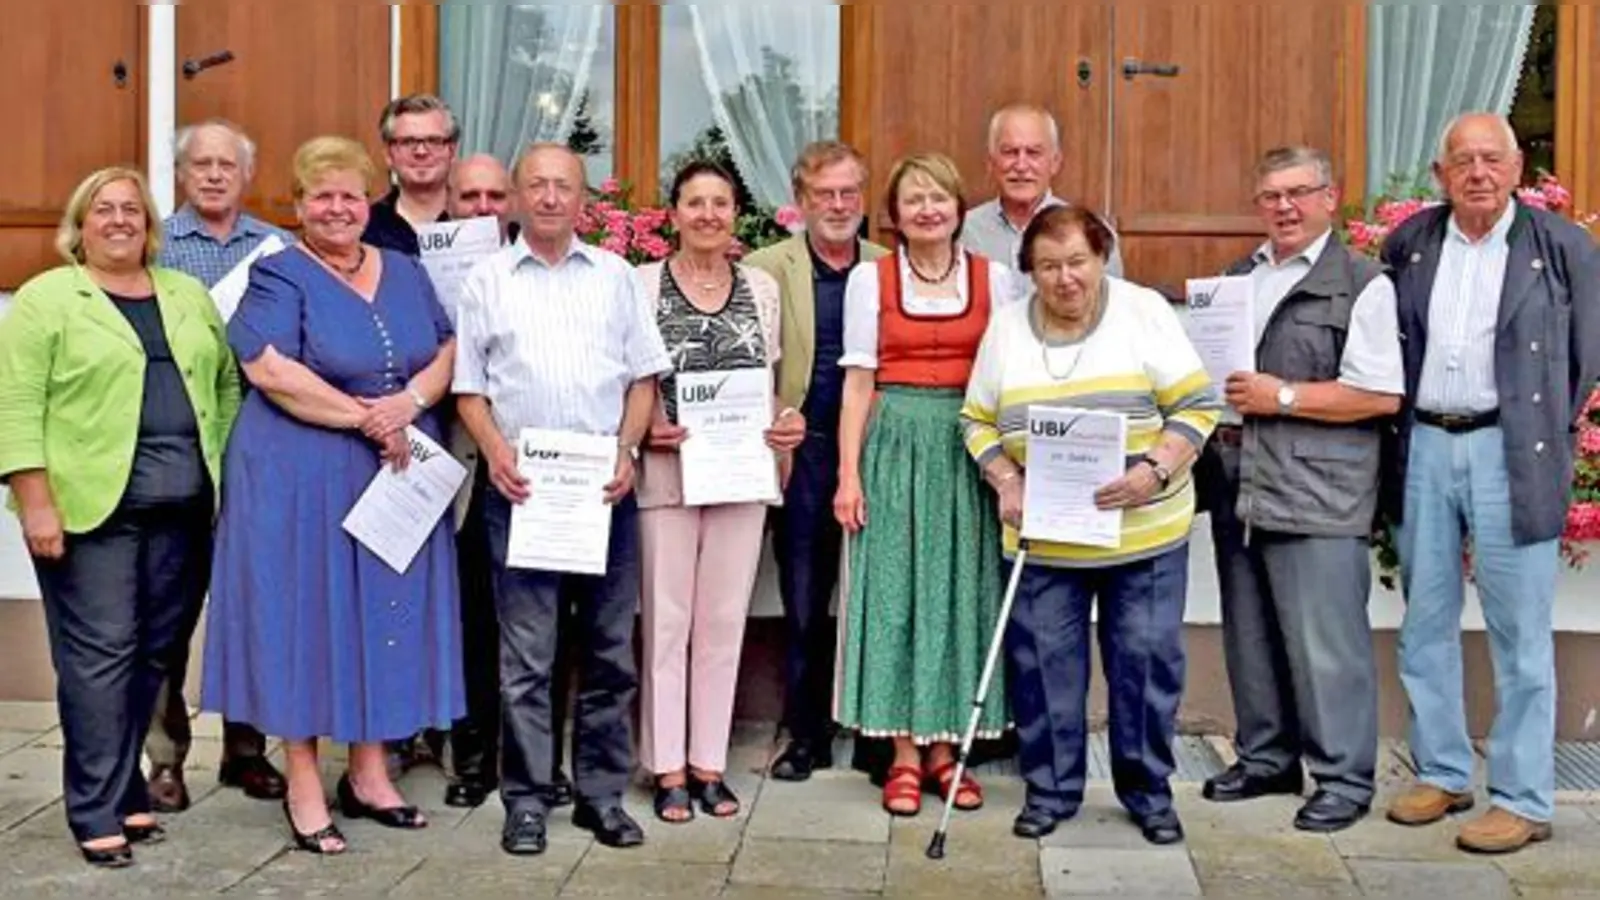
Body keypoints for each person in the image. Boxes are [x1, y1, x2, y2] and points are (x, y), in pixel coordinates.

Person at [200, 136, 464, 855]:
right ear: (297, 207)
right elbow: (272, 372)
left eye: (351, 194)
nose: (338, 208)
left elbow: (447, 349)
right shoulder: (278, 275)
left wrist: (405, 405)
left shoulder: (406, 271)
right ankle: (306, 781)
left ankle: (371, 774)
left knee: (384, 613)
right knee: (308, 622)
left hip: (391, 471)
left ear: (368, 201)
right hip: (297, 474)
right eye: (322, 196)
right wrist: (368, 418)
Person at [0, 167, 239, 866]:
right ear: (80, 223)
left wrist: (223, 471)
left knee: (155, 656)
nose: (118, 220)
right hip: (88, 513)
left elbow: (223, 384)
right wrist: (34, 498)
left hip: (186, 510)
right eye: (102, 209)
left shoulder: (185, 293)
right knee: (100, 660)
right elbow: (16, 406)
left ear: (150, 224)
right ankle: (94, 806)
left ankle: (126, 791)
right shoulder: (49, 299)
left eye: (131, 209)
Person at [962, 204, 1221, 843]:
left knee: (1144, 661)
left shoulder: (1144, 313)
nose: (1065, 278)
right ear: (1029, 272)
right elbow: (976, 420)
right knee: (1045, 666)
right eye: (1047, 266)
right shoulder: (1006, 329)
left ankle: (1148, 792)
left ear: (1101, 257)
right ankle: (1051, 791)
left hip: (1145, 532)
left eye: (1077, 261)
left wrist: (1155, 470)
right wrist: (1006, 478)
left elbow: (1198, 404)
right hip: (1047, 536)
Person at [1382, 113, 1600, 854]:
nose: (1477, 172)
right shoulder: (1410, 244)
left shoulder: (1563, 247)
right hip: (1426, 447)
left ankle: (1523, 797)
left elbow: (1583, 360)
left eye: (1491, 158)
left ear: (1516, 169)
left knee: (1519, 635)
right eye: (1462, 160)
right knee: (1426, 623)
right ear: (1441, 173)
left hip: (1512, 450)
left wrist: (1545, 432)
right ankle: (1443, 772)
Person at [454, 142, 671, 856]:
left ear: (584, 200)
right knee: (526, 660)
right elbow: (470, 389)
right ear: (515, 197)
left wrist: (629, 450)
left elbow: (643, 378)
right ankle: (526, 798)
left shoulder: (615, 277)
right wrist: (495, 452)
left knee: (610, 653)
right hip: (519, 491)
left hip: (603, 492)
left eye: (564, 187)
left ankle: (601, 797)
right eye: (537, 186)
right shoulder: (486, 279)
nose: (549, 198)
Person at [1196, 147, 1403, 834]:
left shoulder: (1362, 282)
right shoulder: (1236, 279)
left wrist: (1279, 395)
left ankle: (1344, 777)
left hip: (1320, 487)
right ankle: (1266, 758)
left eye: (1298, 193)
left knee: (1326, 645)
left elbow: (1378, 394)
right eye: (1270, 195)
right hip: (1243, 481)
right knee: (1250, 633)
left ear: (1329, 198)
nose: (1283, 207)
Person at [833, 153, 1018, 817]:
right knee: (897, 594)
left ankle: (949, 749)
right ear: (895, 213)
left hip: (968, 445)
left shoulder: (995, 278)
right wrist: (848, 474)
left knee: (959, 594)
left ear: (958, 205)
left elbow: (1008, 377)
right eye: (914, 199)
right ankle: (905, 753)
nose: (928, 209)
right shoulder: (869, 279)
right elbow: (858, 384)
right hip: (895, 443)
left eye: (939, 196)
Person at [635, 161, 804, 823]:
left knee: (722, 622)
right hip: (668, 470)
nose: (708, 214)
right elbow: (633, 376)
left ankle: (708, 763)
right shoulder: (643, 283)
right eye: (695, 202)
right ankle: (666, 766)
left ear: (736, 214)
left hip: (738, 471)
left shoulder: (759, 287)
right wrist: (645, 425)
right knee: (667, 621)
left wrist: (785, 428)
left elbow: (768, 382)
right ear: (673, 213)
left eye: (721, 203)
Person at [146, 118, 290, 812]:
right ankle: (165, 758)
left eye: (225, 165)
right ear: (182, 173)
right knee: (169, 615)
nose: (211, 175)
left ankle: (247, 750)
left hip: (261, 454)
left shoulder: (279, 248)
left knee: (254, 607)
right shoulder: (155, 247)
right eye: (199, 164)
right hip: (180, 454)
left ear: (246, 175)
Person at [744, 141, 890, 781]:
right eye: (824, 194)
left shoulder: (891, 265)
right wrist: (777, 411)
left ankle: (877, 733)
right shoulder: (763, 267)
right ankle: (806, 736)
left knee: (878, 597)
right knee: (805, 599)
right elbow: (745, 366)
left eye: (849, 192)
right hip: (801, 451)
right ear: (800, 202)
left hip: (878, 451)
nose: (838, 205)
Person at [437, 153, 578, 810]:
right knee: (471, 619)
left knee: (543, 627)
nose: (485, 208)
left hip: (536, 472)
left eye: (497, 195)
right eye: (472, 197)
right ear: (451, 201)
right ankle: (473, 755)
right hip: (452, 470)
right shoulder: (419, 259)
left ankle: (537, 760)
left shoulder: (562, 272)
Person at [961, 103, 1124, 292]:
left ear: (1055, 163)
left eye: (1033, 153)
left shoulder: (1093, 232)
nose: (1021, 165)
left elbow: (1111, 308)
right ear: (991, 163)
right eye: (1010, 152)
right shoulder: (962, 232)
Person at [364, 94, 458, 257]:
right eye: (408, 142)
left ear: (452, 151)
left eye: (434, 141)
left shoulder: (472, 218)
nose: (421, 152)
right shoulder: (365, 226)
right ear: (388, 154)